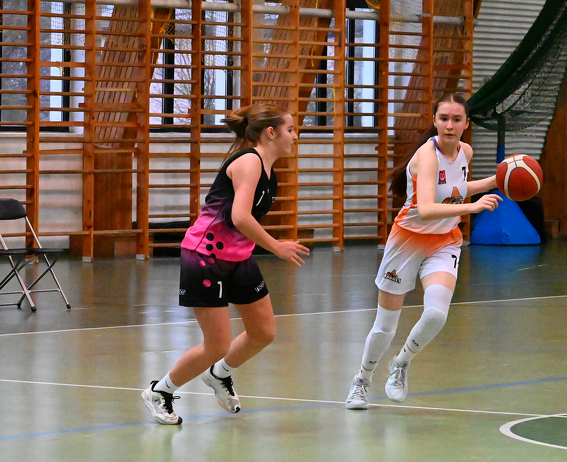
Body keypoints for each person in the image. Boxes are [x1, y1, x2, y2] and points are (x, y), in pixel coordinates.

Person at [142, 104, 310, 425]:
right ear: (270, 133)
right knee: (217, 344)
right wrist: (276, 246)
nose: (295, 136)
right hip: (205, 257)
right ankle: (160, 391)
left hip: (238, 256)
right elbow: (240, 216)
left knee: (263, 331)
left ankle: (219, 374)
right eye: (290, 129)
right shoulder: (249, 162)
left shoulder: (269, 170)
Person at [345, 93, 502, 410]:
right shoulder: (427, 156)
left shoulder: (465, 152)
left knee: (435, 314)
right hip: (407, 240)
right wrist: (474, 207)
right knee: (385, 326)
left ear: (466, 124)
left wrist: (495, 181)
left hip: (444, 241)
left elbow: (455, 190)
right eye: (444, 118)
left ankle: (401, 363)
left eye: (457, 119)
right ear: (435, 121)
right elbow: (428, 208)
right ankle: (362, 380)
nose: (450, 125)